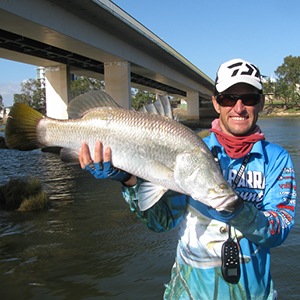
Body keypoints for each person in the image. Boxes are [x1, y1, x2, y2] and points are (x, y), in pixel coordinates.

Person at [79, 58, 296, 300]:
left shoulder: (276, 159)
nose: (238, 107)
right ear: (215, 102)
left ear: (262, 103)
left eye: (249, 98)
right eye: (227, 98)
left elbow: (279, 232)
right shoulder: (192, 149)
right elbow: (161, 223)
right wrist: (128, 180)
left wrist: (238, 211)